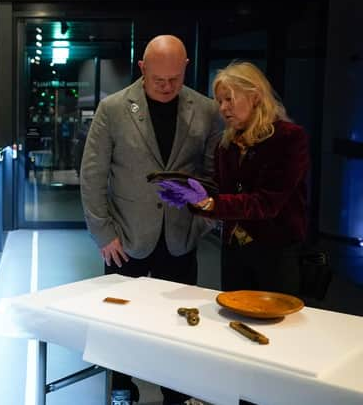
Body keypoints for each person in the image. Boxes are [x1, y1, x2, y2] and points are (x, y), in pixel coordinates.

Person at [80, 34, 222, 405]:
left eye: (174, 79)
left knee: (179, 323)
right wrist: (103, 233)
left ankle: (175, 393)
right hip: (125, 238)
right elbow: (92, 175)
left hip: (181, 238)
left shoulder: (206, 110)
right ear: (142, 68)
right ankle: (122, 386)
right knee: (119, 322)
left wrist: (201, 224)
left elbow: (213, 176)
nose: (166, 86)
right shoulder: (112, 108)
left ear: (185, 68)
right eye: (158, 79)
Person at [157, 61, 309, 296]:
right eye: (219, 101)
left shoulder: (289, 138)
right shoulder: (226, 144)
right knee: (233, 319)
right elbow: (222, 196)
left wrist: (211, 203)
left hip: (276, 251)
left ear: (255, 96)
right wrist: (194, 198)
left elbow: (267, 203)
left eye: (229, 99)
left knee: (278, 325)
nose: (223, 108)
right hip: (233, 249)